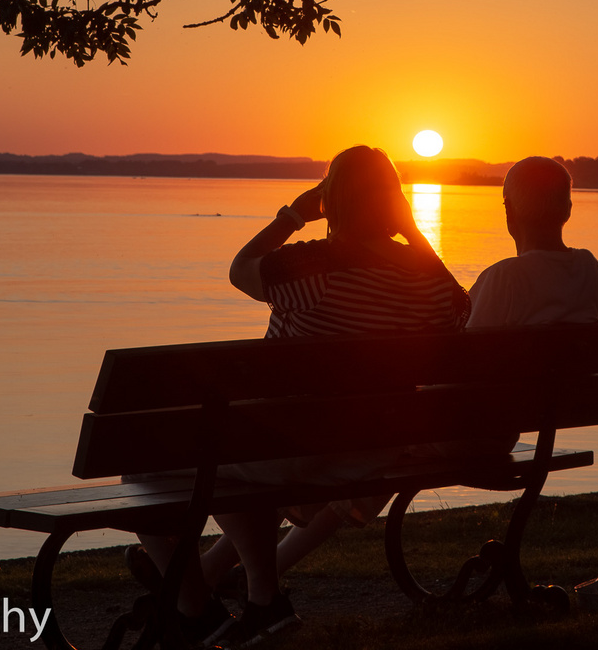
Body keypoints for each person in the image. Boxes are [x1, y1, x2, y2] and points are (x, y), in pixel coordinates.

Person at [135, 145, 468, 648]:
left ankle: (194, 605)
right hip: (368, 454)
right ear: (394, 204)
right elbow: (460, 308)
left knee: (142, 466)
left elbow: (241, 269)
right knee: (240, 460)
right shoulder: (427, 280)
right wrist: (412, 231)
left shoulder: (313, 266)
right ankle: (260, 603)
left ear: (331, 202)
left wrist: (292, 215)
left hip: (294, 449)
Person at [468, 157, 598, 329]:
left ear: (508, 210)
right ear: (568, 210)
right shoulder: (589, 269)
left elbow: (469, 346)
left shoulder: (504, 277)